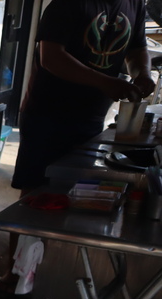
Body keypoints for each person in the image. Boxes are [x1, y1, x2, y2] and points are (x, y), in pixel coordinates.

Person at [12, 0, 155, 192]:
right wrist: (105, 82)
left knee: (76, 190)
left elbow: (137, 50)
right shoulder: (67, 4)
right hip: (48, 119)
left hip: (92, 119)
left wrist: (143, 73)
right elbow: (51, 57)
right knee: (38, 194)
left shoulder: (134, 4)